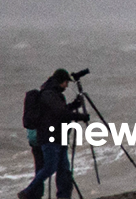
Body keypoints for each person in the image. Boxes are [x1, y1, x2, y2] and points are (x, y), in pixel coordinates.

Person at [18, 69, 88, 199]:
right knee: (50, 167)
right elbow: (60, 114)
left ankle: (63, 197)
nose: (67, 86)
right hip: (50, 138)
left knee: (64, 171)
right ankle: (27, 191)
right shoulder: (49, 94)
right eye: (66, 82)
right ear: (62, 81)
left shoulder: (52, 93)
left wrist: (73, 106)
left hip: (58, 138)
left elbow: (58, 112)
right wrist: (80, 116)